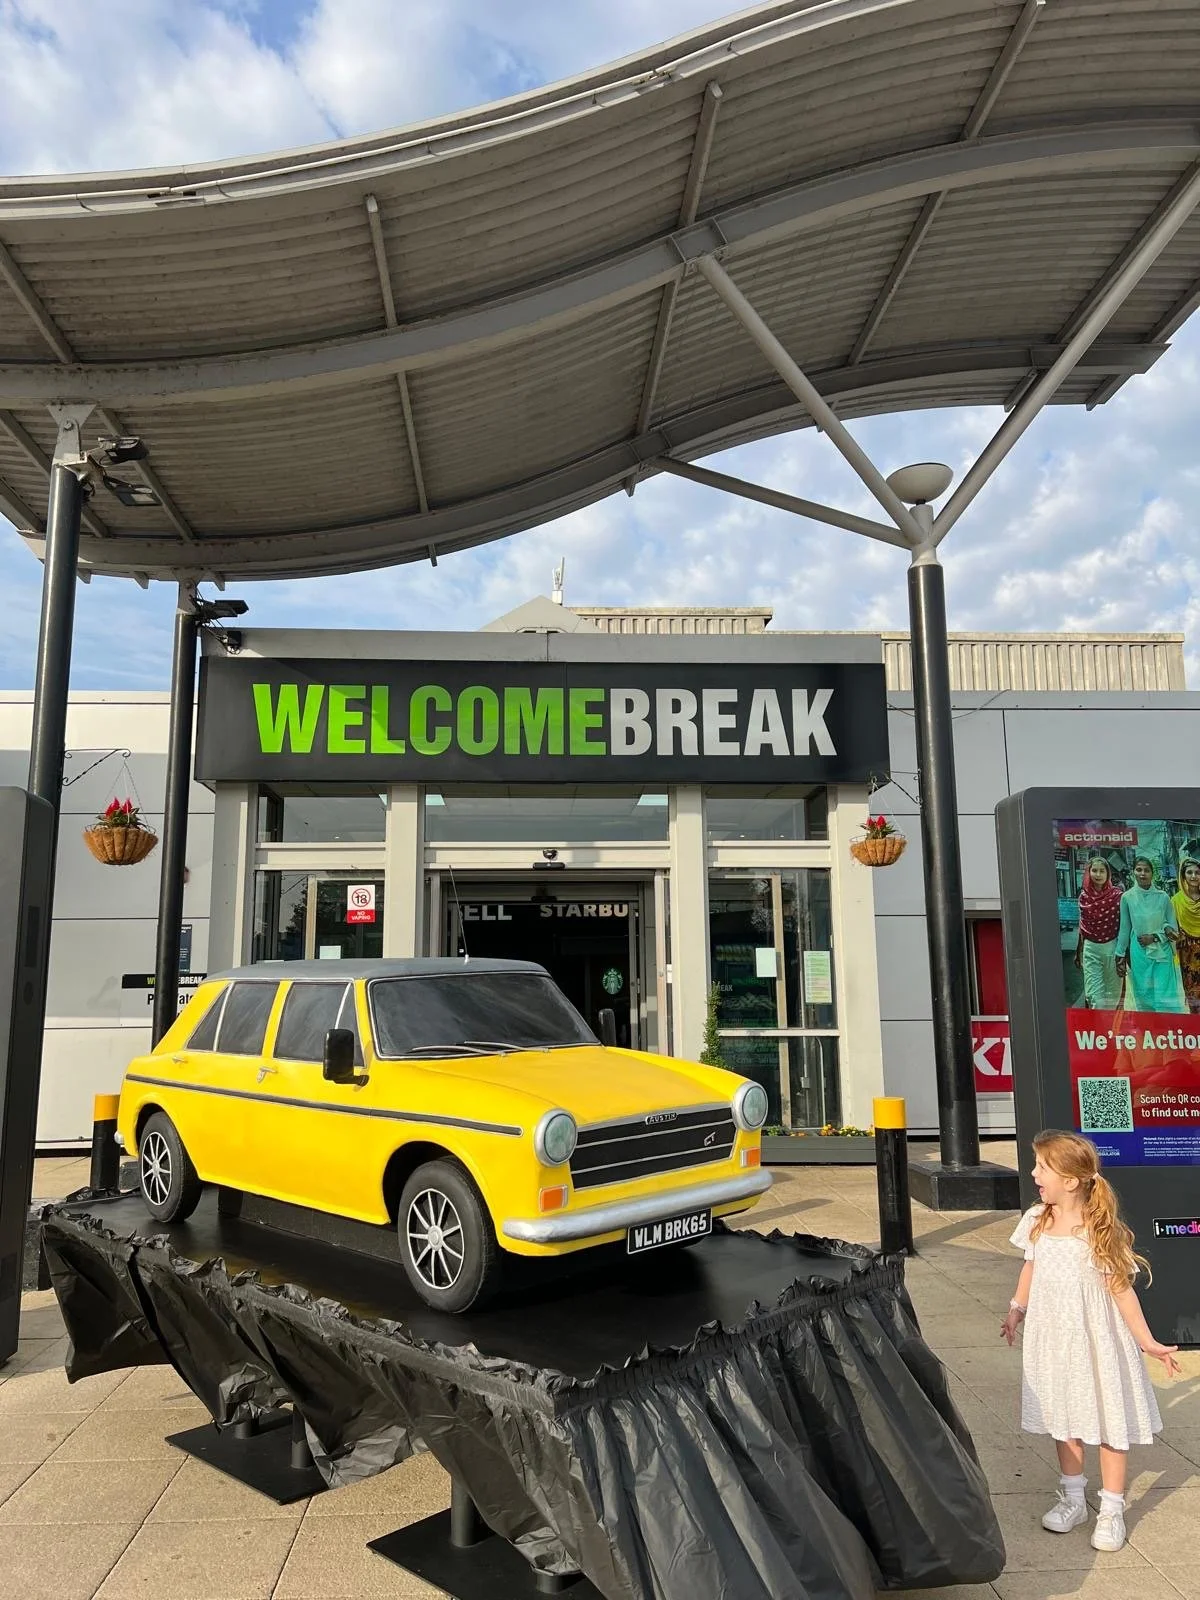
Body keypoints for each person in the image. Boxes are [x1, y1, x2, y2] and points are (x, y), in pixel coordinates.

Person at [1002, 1131, 1180, 1553]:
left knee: (1107, 1418)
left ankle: (1113, 1508)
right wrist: (1016, 1308)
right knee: (1062, 1415)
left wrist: (1146, 1341)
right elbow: (1031, 1267)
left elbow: (1121, 1289)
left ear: (1070, 1180)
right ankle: (1073, 1497)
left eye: (1042, 1167)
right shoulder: (1037, 1219)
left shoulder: (1100, 1231)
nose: (1033, 1173)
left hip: (1096, 1340)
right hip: (1053, 1336)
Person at [1115, 857, 1185, 1013]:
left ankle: (1168, 1031)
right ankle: (1150, 1032)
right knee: (1144, 994)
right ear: (1133, 872)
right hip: (1139, 953)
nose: (1142, 873)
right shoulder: (1127, 897)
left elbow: (1173, 930)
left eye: (1146, 870)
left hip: (1162, 952)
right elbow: (1125, 929)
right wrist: (1119, 955)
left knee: (1164, 995)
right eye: (1139, 869)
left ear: (1152, 873)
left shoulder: (1163, 897)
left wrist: (1154, 937)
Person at [1073, 857, 1122, 1009]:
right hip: (1090, 949)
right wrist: (1078, 951)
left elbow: (1124, 926)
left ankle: (1107, 1031)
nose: (1098, 874)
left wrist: (1124, 953)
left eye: (1102, 871)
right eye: (1094, 870)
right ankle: (1098, 1029)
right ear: (1089, 873)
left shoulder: (1117, 896)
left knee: (1113, 996)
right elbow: (1082, 927)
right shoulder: (1084, 897)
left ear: (1108, 874)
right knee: (1095, 998)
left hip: (1112, 948)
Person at [1171, 857, 1200, 1014]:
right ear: (1183, 876)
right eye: (1190, 872)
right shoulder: (1176, 901)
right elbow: (1171, 927)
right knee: (1192, 993)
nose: (1194, 876)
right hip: (1187, 953)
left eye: (1197, 872)